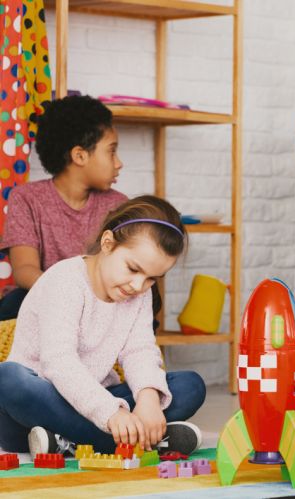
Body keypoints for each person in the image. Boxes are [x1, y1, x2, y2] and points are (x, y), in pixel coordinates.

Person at [0, 195, 206, 456]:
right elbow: (58, 362)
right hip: (40, 404)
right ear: (108, 243)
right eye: (133, 269)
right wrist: (111, 414)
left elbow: (139, 350)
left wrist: (148, 399)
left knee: (190, 385)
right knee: (8, 377)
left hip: (97, 397)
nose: (138, 286)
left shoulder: (139, 294)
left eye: (152, 279)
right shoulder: (65, 280)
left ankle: (68, 442)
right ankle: (136, 440)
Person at [0, 95, 127, 320]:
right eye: (111, 151)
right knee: (14, 303)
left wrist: (91, 299)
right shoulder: (26, 198)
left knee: (139, 307)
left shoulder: (118, 205)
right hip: (46, 295)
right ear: (80, 155)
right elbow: (24, 270)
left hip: (99, 301)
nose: (119, 163)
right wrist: (67, 295)